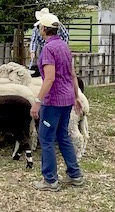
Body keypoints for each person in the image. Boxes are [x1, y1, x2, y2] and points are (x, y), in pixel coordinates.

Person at [30, 12, 84, 191]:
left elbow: (49, 78)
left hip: (52, 101)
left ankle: (50, 180)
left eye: (39, 27)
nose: (39, 30)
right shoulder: (64, 46)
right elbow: (72, 74)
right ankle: (74, 174)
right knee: (63, 135)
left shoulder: (48, 49)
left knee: (46, 138)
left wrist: (38, 101)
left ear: (44, 29)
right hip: (67, 99)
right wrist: (76, 96)